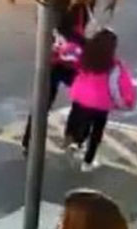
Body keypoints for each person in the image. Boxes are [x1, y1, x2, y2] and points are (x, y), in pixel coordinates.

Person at [21, 0, 97, 157]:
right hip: (56, 61)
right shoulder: (59, 5)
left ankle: (73, 137)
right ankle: (32, 140)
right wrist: (87, 43)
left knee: (84, 96)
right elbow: (60, 30)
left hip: (67, 61)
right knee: (44, 102)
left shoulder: (83, 7)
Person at [64, 29, 137, 172]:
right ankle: (87, 162)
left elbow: (70, 58)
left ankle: (75, 141)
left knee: (77, 118)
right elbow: (118, 86)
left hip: (80, 96)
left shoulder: (84, 56)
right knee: (96, 131)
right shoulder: (114, 66)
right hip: (100, 103)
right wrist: (124, 103)